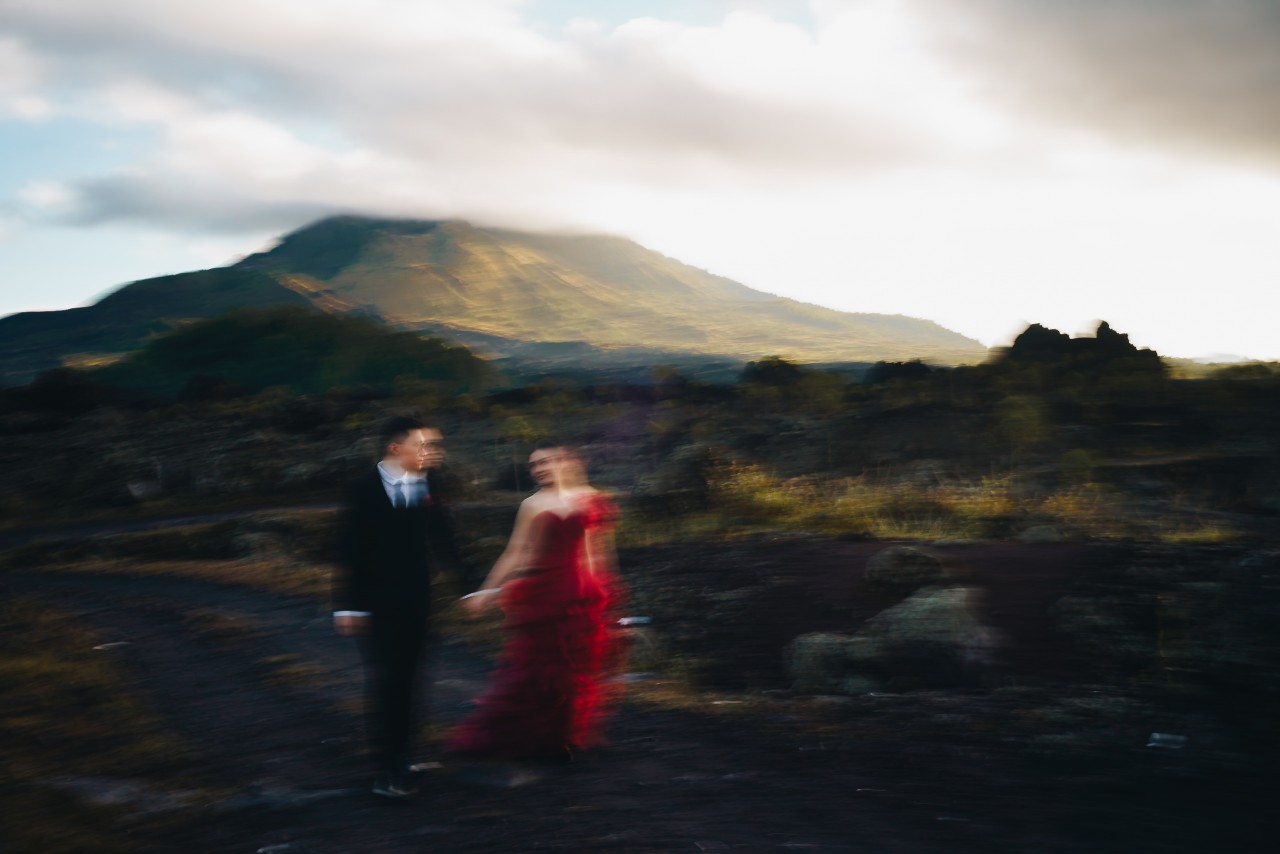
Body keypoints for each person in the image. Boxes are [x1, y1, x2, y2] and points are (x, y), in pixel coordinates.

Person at [445, 441, 624, 763]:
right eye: (535, 464)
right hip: (545, 593)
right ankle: (529, 736)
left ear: (566, 461)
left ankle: (562, 736)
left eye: (547, 461)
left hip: (581, 594)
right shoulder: (532, 503)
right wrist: (485, 592)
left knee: (575, 668)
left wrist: (606, 590)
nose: (540, 469)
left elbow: (596, 552)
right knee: (537, 667)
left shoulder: (591, 497)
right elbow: (515, 552)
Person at [333, 414, 465, 799]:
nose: (433, 452)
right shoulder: (360, 488)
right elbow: (349, 547)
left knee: (412, 681)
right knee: (389, 683)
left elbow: (444, 538)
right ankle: (386, 769)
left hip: (419, 601)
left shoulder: (431, 482)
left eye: (435, 445)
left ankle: (404, 756)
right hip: (374, 606)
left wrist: (469, 588)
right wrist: (348, 607)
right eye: (424, 445)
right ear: (396, 447)